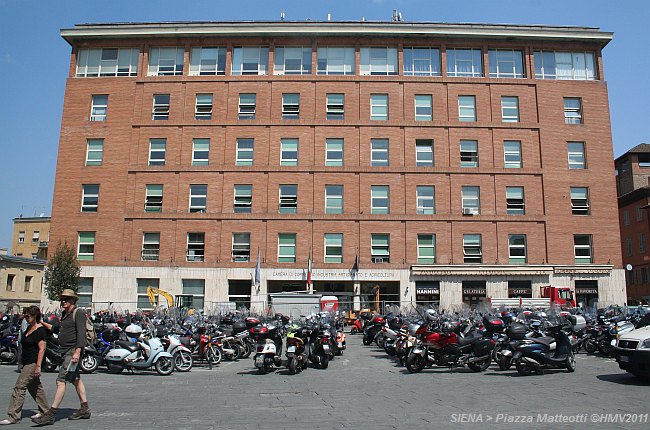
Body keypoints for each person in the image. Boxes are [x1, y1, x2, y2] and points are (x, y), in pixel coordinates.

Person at [33, 289, 90, 425]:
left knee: (61, 380)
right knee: (76, 379)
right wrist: (43, 323)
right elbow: (59, 329)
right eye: (62, 299)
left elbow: (81, 334)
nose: (64, 301)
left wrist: (77, 352)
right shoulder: (65, 314)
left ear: (73, 301)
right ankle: (85, 409)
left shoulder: (79, 313)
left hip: (72, 352)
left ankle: (51, 414)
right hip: (65, 351)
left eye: (67, 299)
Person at [0, 306, 49, 425]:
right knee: (35, 387)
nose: (26, 318)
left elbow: (42, 349)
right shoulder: (29, 328)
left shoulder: (40, 330)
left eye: (28, 316)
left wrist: (38, 366)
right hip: (26, 362)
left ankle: (13, 416)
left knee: (19, 387)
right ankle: (46, 411)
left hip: (33, 363)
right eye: (25, 316)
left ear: (35, 316)